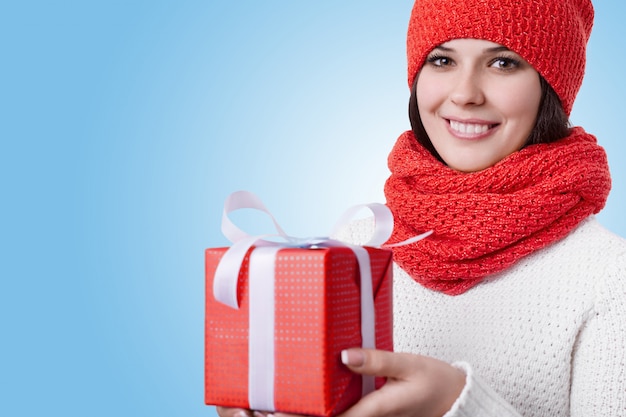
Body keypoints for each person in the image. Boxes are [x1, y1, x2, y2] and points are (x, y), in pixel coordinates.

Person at [218, 0, 626, 416]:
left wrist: (456, 405)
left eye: (503, 63)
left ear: (551, 86)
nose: (465, 94)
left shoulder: (610, 277)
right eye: (442, 59)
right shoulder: (357, 244)